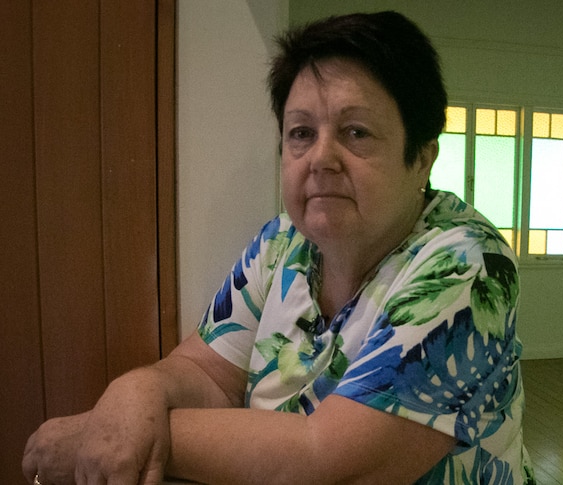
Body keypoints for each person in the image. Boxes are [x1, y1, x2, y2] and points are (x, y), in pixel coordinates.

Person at [23, 11, 534, 485]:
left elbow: (327, 460)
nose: (321, 157)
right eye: (301, 133)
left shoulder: (466, 264)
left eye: (356, 132)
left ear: (421, 158)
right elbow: (207, 373)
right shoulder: (280, 243)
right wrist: (136, 392)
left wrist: (109, 437)